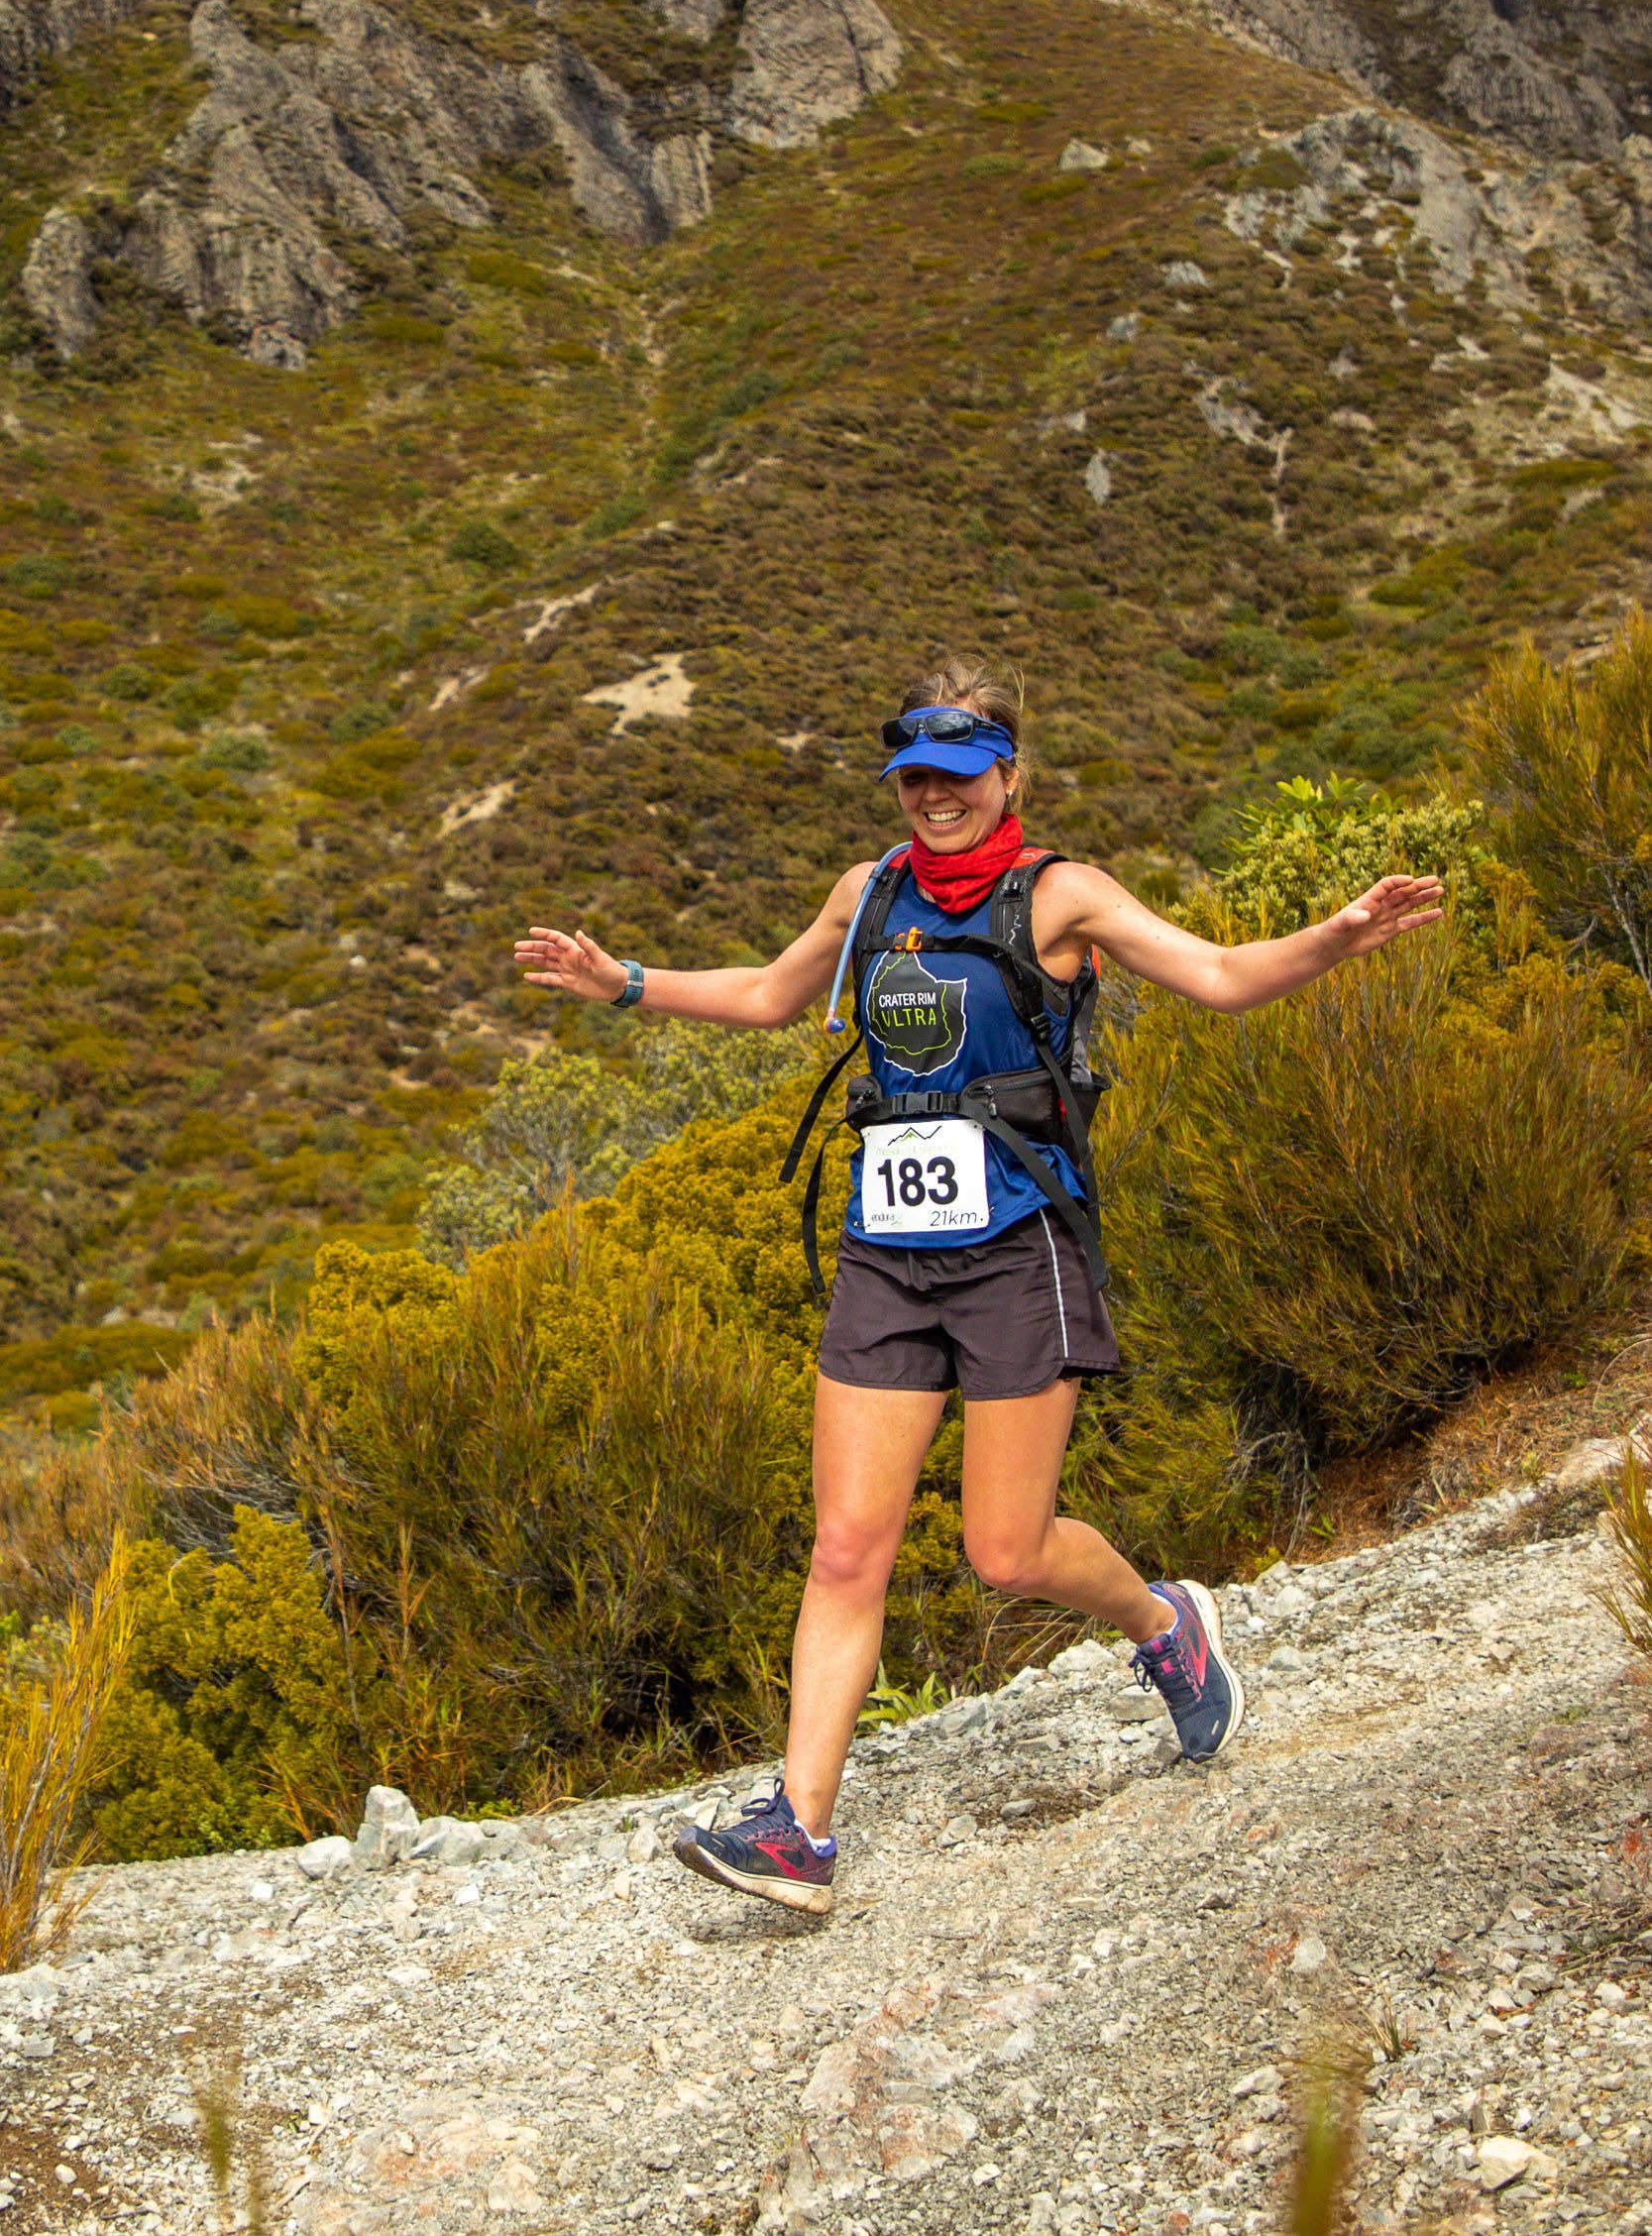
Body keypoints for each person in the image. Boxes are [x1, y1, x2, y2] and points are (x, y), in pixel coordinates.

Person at [513, 658, 1443, 1917]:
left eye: (956, 775)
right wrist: (624, 981)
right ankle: (798, 1833)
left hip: (1018, 1244)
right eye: (913, 777)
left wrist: (1332, 937)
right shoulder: (869, 890)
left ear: (1008, 774)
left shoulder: (1060, 894)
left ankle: (1163, 1625)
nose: (932, 797)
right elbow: (772, 995)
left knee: (1005, 1551)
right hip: (887, 1249)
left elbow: (1220, 976)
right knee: (847, 1544)